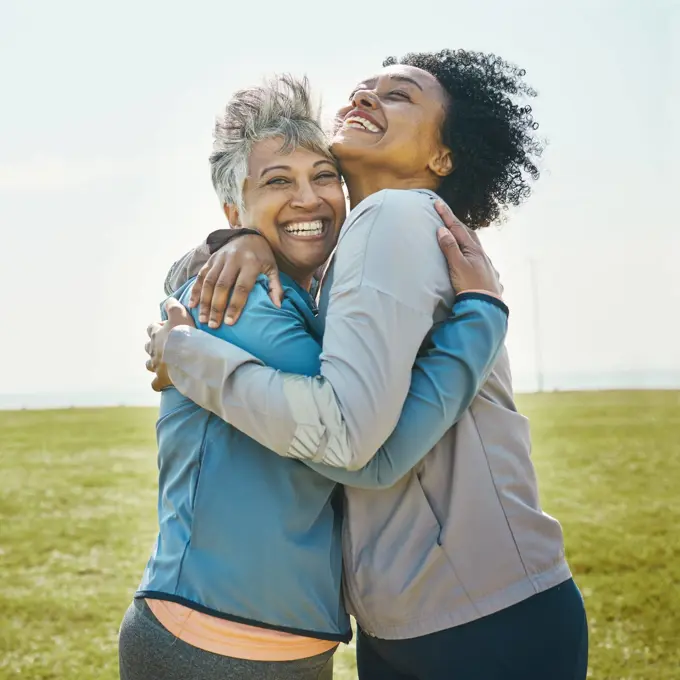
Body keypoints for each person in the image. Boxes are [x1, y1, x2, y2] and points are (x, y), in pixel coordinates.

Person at [148, 51, 588, 679]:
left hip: (471, 613)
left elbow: (355, 444)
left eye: (400, 95)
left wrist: (186, 354)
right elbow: (216, 285)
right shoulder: (352, 250)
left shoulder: (393, 215)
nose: (364, 100)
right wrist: (234, 241)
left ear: (442, 156)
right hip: (425, 613)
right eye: (360, 90)